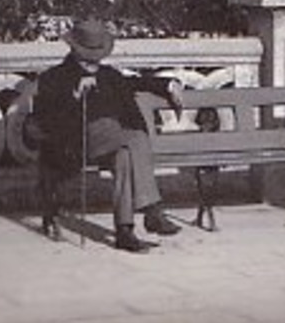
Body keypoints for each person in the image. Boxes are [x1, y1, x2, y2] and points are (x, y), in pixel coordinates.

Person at [31, 17, 184, 251]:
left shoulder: (108, 75)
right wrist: (74, 95)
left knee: (124, 156)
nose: (94, 61)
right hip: (78, 142)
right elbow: (46, 119)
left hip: (115, 142)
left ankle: (124, 231)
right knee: (136, 138)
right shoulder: (54, 77)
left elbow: (136, 82)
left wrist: (168, 85)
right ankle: (152, 211)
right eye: (88, 55)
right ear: (74, 49)